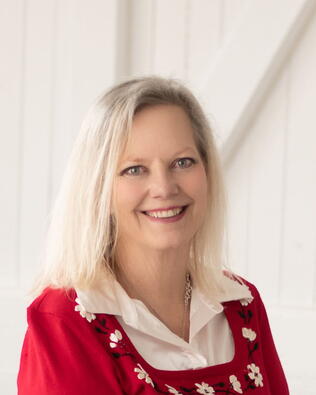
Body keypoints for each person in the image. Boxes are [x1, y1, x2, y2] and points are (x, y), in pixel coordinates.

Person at [17, 76, 289, 394]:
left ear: (207, 172)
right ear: (98, 188)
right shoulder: (65, 320)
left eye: (182, 162)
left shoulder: (242, 303)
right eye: (134, 169)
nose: (164, 188)